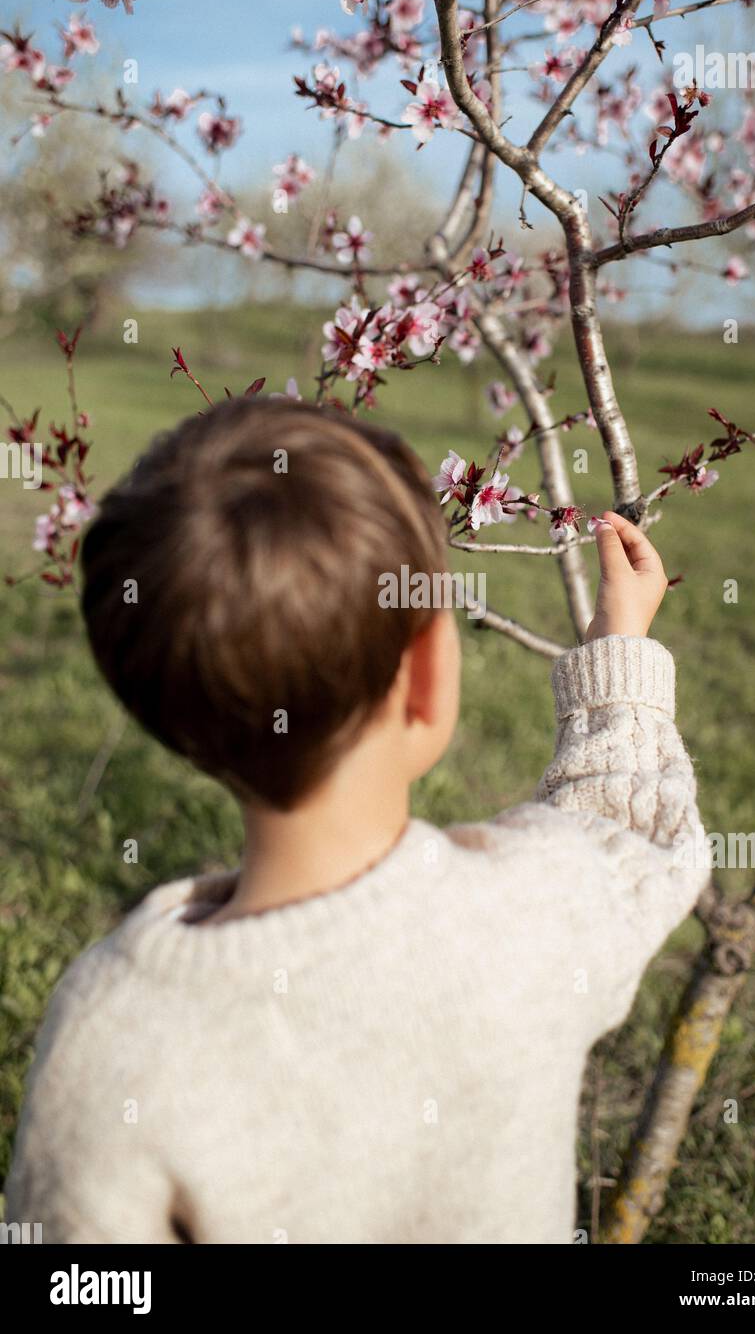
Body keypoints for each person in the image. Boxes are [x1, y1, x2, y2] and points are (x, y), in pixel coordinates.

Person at [4, 395, 709, 1244]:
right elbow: (637, 840)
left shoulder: (109, 1034)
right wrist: (619, 644)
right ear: (425, 681)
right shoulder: (534, 917)